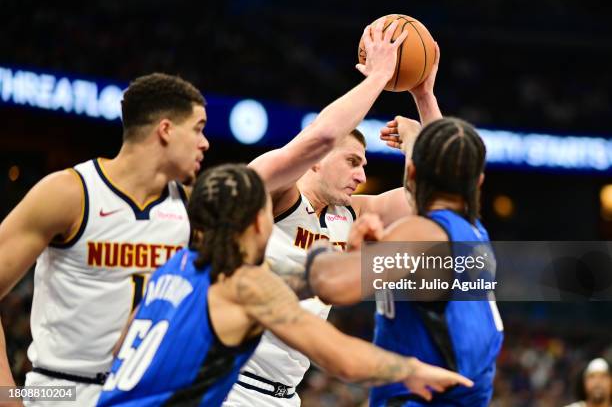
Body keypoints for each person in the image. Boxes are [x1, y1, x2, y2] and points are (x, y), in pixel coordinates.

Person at [96, 163, 473, 407]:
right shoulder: (246, 285)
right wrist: (412, 370)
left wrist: (342, 267)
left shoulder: (174, 269)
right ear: (259, 223)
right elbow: (340, 357)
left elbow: (117, 348)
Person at [224, 20, 442, 406]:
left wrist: (423, 98)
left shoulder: (350, 214)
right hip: (231, 383)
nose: (361, 175)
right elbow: (320, 137)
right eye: (352, 161)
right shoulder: (272, 195)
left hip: (284, 394)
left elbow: (440, 195)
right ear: (316, 162)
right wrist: (378, 76)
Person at [0, 73, 209, 406]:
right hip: (61, 389)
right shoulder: (71, 193)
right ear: (166, 130)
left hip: (146, 393)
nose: (205, 143)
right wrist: (4, 393)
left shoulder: (190, 207)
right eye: (198, 128)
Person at [307, 117, 504, 406]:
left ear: (410, 172)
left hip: (421, 396)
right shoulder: (474, 231)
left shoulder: (421, 233)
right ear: (479, 181)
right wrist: (422, 101)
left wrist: (321, 251)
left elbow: (333, 287)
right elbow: (448, 154)